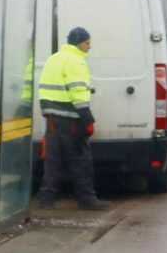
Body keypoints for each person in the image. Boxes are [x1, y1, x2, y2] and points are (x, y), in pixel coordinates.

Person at [36, 26, 111, 211]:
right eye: (87, 42)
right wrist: (87, 117)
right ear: (78, 43)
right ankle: (87, 199)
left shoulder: (54, 58)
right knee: (80, 160)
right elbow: (77, 91)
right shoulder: (76, 61)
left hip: (52, 118)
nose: (89, 46)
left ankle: (46, 199)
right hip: (71, 119)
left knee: (53, 160)